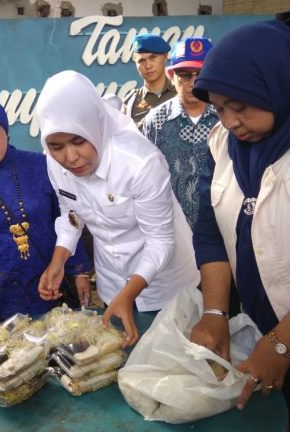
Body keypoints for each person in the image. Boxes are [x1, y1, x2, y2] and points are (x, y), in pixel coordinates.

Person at [189, 21, 290, 432]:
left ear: (279, 82)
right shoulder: (223, 145)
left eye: (240, 106)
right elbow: (210, 230)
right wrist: (215, 311)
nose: (230, 121)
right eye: (219, 109)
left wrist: (283, 343)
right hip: (264, 344)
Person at [35, 70, 200, 347]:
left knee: (171, 357)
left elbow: (160, 241)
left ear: (94, 127)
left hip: (165, 284)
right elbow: (70, 214)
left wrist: (129, 293)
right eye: (56, 146)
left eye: (78, 141)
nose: (70, 157)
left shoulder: (139, 162)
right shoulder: (54, 163)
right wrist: (58, 260)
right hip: (112, 280)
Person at [0, 89, 91, 339]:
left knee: (58, 353)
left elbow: (68, 218)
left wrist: (80, 272)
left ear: (3, 126)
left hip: (48, 286)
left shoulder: (42, 166)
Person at [142, 37, 217, 228]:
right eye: (185, 75)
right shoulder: (155, 121)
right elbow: (146, 179)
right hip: (172, 227)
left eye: (200, 74)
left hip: (220, 225)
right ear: (171, 75)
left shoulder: (225, 117)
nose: (193, 82)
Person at [122, 33, 176, 128]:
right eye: (141, 61)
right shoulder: (131, 102)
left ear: (165, 56)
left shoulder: (181, 94)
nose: (148, 66)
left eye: (153, 58)